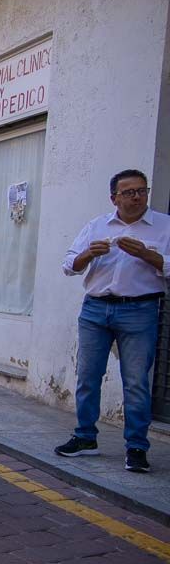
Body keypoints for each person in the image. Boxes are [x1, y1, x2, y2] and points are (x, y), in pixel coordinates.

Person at [55, 169, 169, 472]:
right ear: (114, 197)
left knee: (136, 383)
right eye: (128, 192)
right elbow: (69, 265)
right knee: (88, 377)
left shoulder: (164, 226)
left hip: (140, 310)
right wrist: (88, 255)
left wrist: (148, 255)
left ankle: (136, 447)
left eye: (141, 191)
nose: (136, 196)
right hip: (95, 309)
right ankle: (85, 438)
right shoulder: (96, 226)